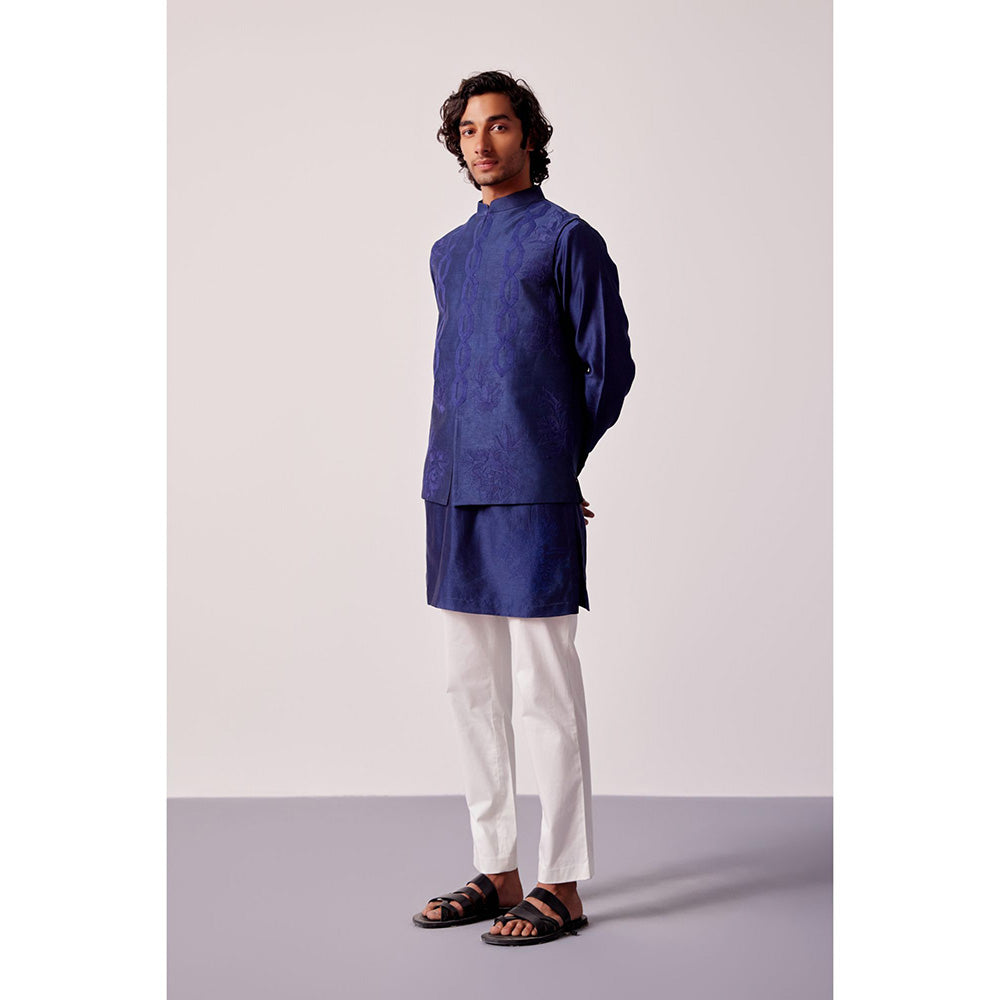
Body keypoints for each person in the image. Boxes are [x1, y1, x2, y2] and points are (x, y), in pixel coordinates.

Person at [412, 71, 636, 946]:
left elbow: (608, 366)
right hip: (451, 488)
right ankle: (497, 868)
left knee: (546, 689)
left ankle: (561, 881)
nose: (482, 142)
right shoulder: (447, 253)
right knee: (469, 688)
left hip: (531, 493)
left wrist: (555, 458)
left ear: (529, 138)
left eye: (499, 126)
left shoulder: (567, 239)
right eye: (469, 130)